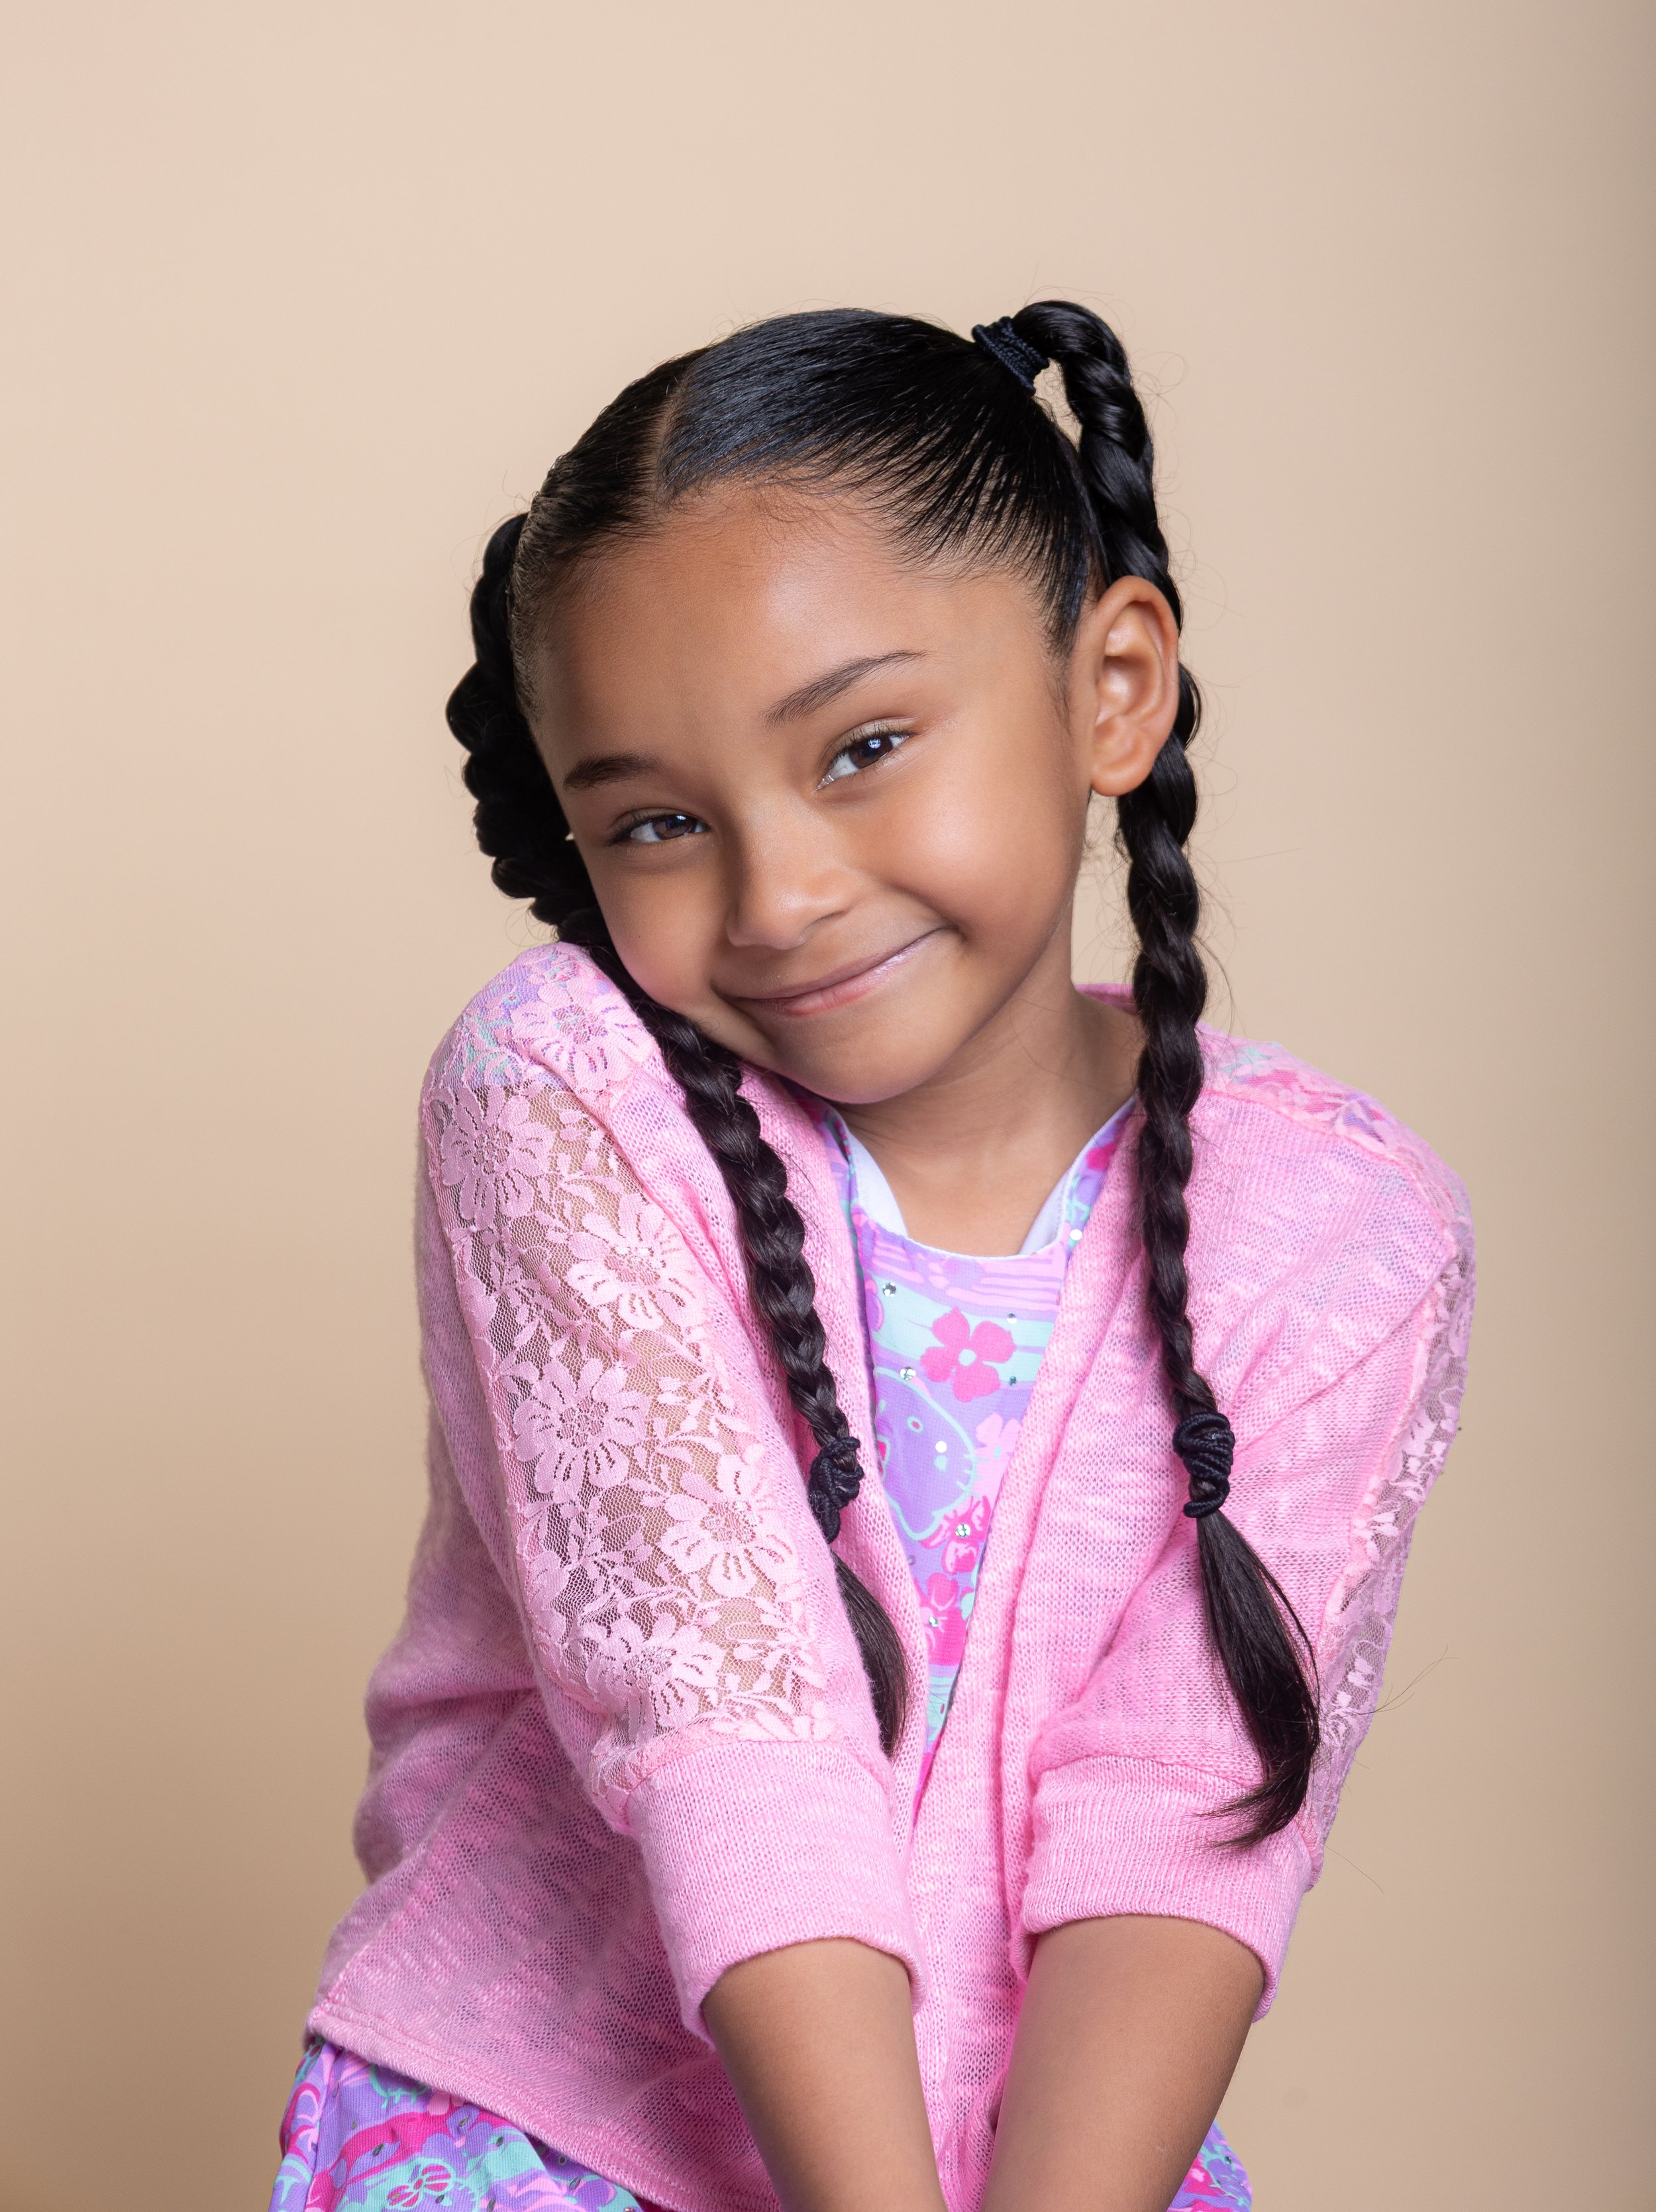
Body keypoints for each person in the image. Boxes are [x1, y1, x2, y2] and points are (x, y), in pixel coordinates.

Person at [270, 303, 1473, 2212]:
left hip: (1055, 2148)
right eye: (658, 822)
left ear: (1114, 687)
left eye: (865, 746)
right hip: (553, 2131)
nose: (779, 895)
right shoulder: (571, 1089)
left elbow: (1183, 1817)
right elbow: (726, 1726)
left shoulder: (1338, 1228)